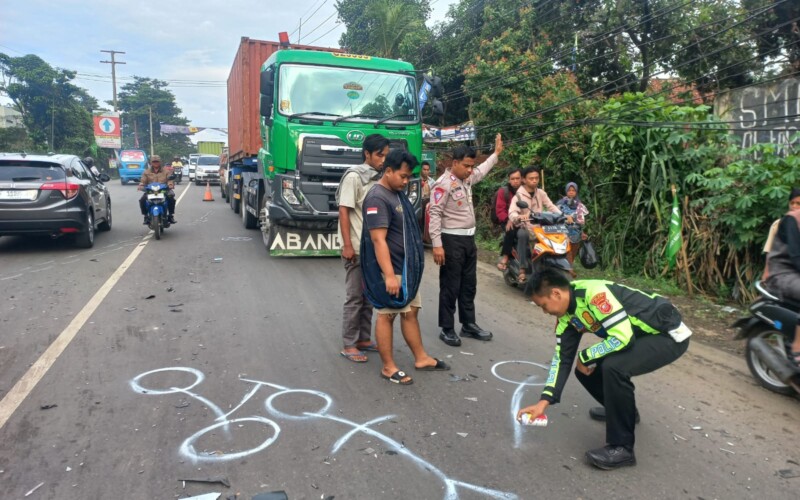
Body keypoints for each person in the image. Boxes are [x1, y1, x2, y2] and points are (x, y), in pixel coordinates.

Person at [518, 269, 692, 470]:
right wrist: (543, 402)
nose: (545, 312)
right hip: (638, 336)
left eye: (544, 306)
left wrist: (584, 356)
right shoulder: (566, 317)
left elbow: (623, 337)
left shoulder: (594, 294)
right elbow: (561, 359)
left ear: (556, 294)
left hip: (667, 335)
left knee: (613, 368)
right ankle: (626, 412)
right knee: (585, 371)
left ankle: (622, 449)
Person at [363, 149, 450, 384]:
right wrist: (389, 276)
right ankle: (388, 367)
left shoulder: (397, 193)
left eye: (408, 177)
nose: (405, 181)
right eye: (402, 176)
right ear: (388, 171)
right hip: (392, 270)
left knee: (411, 312)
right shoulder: (377, 198)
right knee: (387, 315)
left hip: (407, 269)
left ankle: (421, 357)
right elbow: (378, 239)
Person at [429, 134, 504, 347]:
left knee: (469, 285)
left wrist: (496, 154)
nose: (470, 170)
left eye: (471, 166)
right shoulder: (443, 184)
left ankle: (468, 324)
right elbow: (434, 214)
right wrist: (437, 245)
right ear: (454, 163)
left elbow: (481, 171)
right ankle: (447, 328)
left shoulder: (467, 178)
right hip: (451, 241)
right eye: (466, 166)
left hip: (469, 241)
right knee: (450, 286)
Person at [335, 134, 390, 363]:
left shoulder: (378, 178)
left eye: (386, 155)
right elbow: (344, 211)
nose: (383, 159)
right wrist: (347, 245)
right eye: (380, 155)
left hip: (372, 249)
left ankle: (363, 339)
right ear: (367, 153)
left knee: (368, 296)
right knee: (355, 297)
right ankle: (349, 344)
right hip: (356, 247)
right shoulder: (354, 177)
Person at [507, 166, 564, 283]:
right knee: (522, 235)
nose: (534, 180)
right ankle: (522, 268)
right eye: (531, 178)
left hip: (540, 228)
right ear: (524, 180)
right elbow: (512, 212)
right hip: (525, 227)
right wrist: (519, 217)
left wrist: (562, 215)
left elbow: (551, 206)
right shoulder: (519, 196)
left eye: (536, 178)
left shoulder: (541, 193)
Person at [763, 187, 800, 367]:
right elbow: (794, 256)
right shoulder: (790, 220)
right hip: (784, 272)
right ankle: (797, 347)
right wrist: (766, 274)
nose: (795, 206)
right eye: (793, 203)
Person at [556, 182, 590, 269]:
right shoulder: (560, 204)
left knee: (573, 251)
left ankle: (568, 267)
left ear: (576, 192)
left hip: (576, 233)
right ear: (566, 191)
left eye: (573, 190)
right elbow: (555, 215)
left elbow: (582, 221)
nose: (571, 192)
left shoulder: (580, 205)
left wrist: (583, 232)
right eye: (569, 190)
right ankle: (568, 269)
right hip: (563, 232)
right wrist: (566, 218)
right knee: (566, 251)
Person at [495, 168, 522, 271]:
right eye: (513, 178)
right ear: (509, 180)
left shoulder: (526, 191)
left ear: (522, 179)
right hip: (506, 219)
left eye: (517, 178)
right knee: (510, 231)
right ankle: (506, 256)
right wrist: (509, 219)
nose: (515, 181)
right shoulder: (503, 192)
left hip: (523, 219)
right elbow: (500, 210)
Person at [138, 155, 176, 224]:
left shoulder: (166, 171)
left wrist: (170, 184)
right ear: (151, 163)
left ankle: (170, 216)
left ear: (160, 162)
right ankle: (146, 216)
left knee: (171, 198)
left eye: (157, 161)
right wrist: (141, 185)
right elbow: (143, 180)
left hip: (163, 190)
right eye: (154, 162)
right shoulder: (146, 172)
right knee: (142, 200)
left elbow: (169, 178)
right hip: (151, 191)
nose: (155, 163)